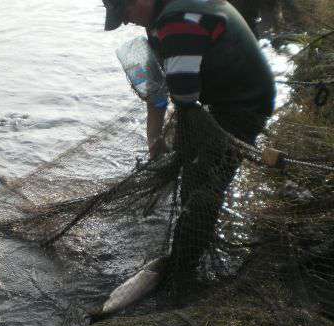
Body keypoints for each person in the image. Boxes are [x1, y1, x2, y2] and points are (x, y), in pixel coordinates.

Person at [103, 0, 276, 287]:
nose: (125, 22)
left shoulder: (177, 20)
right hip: (223, 98)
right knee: (195, 173)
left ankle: (183, 271)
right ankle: (185, 247)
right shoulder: (162, 17)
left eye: (126, 13)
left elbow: (183, 95)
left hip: (243, 103)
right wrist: (155, 139)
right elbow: (159, 92)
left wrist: (175, 137)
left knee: (205, 184)